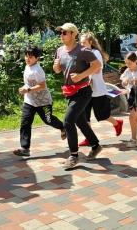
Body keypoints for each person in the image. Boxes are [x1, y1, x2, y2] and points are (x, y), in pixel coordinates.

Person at [53, 23, 103, 169]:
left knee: (68, 121)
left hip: (83, 91)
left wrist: (81, 75)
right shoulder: (60, 50)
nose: (61, 35)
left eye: (65, 32)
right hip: (69, 92)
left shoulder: (83, 50)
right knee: (80, 122)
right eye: (60, 33)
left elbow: (97, 66)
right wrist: (56, 66)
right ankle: (95, 145)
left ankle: (74, 156)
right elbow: (57, 70)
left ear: (74, 34)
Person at [13, 46, 66, 157]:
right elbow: (29, 83)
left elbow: (42, 86)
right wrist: (25, 88)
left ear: (37, 58)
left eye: (30, 57)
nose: (27, 59)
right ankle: (25, 148)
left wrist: (27, 90)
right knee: (25, 123)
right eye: (26, 56)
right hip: (30, 101)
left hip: (43, 102)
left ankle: (63, 127)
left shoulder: (37, 70)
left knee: (48, 120)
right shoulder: (27, 66)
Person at [78, 33, 123, 147]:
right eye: (81, 43)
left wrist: (83, 72)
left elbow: (97, 70)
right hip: (85, 89)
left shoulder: (95, 53)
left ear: (91, 43)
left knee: (102, 115)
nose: (82, 45)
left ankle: (117, 123)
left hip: (97, 90)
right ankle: (89, 138)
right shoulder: (82, 54)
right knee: (85, 115)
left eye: (84, 43)